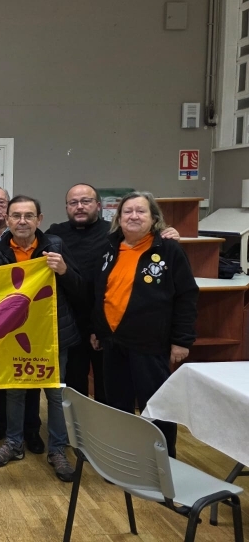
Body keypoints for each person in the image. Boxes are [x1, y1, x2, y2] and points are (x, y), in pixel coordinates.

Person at [47, 183, 180, 404]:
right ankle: (79, 425)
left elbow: (146, 236)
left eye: (86, 201)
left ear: (98, 205)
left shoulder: (114, 234)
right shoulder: (54, 234)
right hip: (71, 321)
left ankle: (112, 424)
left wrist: (169, 233)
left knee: (110, 386)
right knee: (74, 381)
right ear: (66, 207)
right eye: (73, 202)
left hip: (109, 324)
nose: (80, 206)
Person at [91, 192, 198, 459]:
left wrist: (182, 340)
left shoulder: (169, 250)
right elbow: (101, 292)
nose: (134, 216)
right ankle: (124, 459)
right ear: (118, 218)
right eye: (127, 211)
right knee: (118, 405)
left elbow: (186, 295)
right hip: (113, 341)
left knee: (157, 406)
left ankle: (163, 462)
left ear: (153, 218)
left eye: (141, 211)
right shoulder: (109, 247)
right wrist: (98, 329)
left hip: (150, 344)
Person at [0, 195, 84, 482]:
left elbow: (80, 287)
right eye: (16, 216)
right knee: (15, 392)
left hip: (53, 336)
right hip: (17, 335)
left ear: (39, 219)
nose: (22, 221)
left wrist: (63, 271)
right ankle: (14, 443)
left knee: (55, 394)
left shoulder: (55, 246)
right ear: (7, 219)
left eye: (29, 216)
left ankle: (57, 449)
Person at [0, 186, 43, 453]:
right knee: (1, 377)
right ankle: (2, 422)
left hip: (33, 321)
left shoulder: (41, 241)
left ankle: (31, 429)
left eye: (1, 202)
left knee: (31, 376)